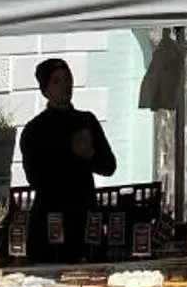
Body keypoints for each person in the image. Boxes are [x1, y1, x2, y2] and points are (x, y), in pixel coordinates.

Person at [20, 58, 117, 257]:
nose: (64, 85)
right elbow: (35, 178)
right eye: (56, 81)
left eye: (67, 79)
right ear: (45, 90)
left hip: (85, 217)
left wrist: (89, 154)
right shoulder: (35, 129)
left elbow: (108, 166)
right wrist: (68, 154)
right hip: (51, 220)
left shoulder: (86, 120)